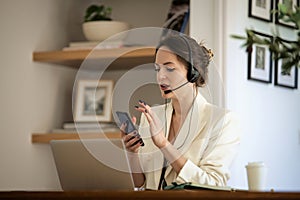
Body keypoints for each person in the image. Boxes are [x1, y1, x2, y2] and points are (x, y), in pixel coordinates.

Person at [120, 33, 240, 190]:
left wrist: (164, 144)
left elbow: (213, 184)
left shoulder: (223, 121)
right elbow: (142, 186)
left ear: (193, 73)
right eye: (157, 69)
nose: (161, 77)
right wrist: (132, 153)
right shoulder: (151, 117)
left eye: (169, 69)